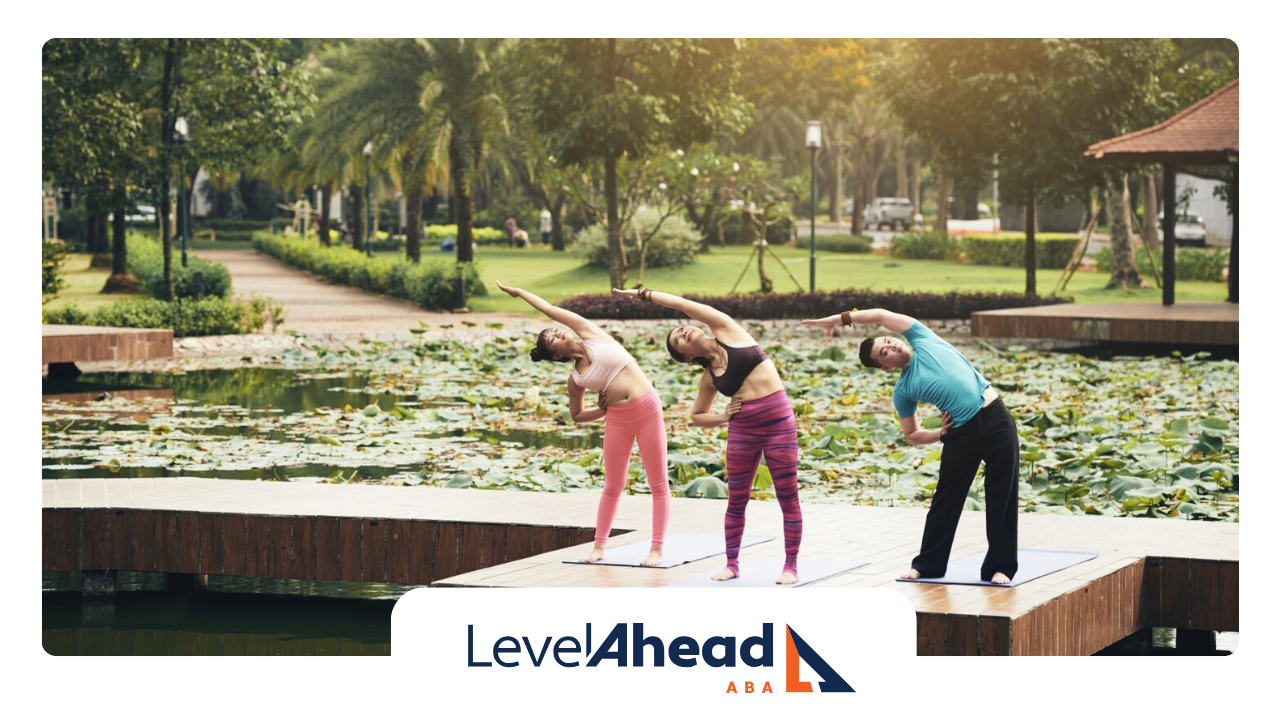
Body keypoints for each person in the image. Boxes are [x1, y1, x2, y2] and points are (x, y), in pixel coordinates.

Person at [802, 309, 1018, 584]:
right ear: (886, 367)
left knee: (1002, 493)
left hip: (995, 418)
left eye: (887, 341)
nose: (891, 346)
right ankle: (927, 565)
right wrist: (941, 433)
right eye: (884, 353)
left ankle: (1000, 568)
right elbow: (912, 434)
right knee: (945, 500)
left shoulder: (923, 338)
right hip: (960, 433)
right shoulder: (904, 390)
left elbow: (880, 315)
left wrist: (837, 319)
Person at [615, 287, 802, 585]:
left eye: (682, 329)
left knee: (787, 496)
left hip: (778, 421)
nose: (683, 332)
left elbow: (683, 304)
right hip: (743, 429)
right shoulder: (709, 377)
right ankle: (731, 564)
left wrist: (646, 295)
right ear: (686, 357)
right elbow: (697, 416)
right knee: (737, 499)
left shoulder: (728, 330)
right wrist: (724, 417)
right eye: (678, 339)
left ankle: (790, 566)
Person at [496, 281, 669, 566]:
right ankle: (599, 547)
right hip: (617, 418)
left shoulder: (591, 334)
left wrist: (519, 293)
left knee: (658, 484)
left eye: (555, 330)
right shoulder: (576, 379)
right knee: (613, 485)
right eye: (552, 337)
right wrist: (600, 413)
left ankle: (656, 549)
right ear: (557, 355)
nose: (558, 331)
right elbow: (576, 415)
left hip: (647, 408)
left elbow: (550, 309)